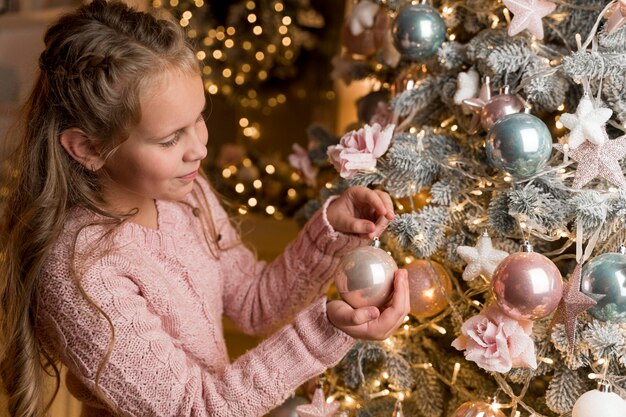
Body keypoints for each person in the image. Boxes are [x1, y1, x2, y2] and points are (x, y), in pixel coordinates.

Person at [0, 1, 410, 416]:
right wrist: (325, 331)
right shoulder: (82, 273)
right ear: (89, 147)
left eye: (199, 118)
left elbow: (253, 304)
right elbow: (193, 409)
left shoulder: (185, 197)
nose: (199, 148)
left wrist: (329, 236)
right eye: (169, 139)